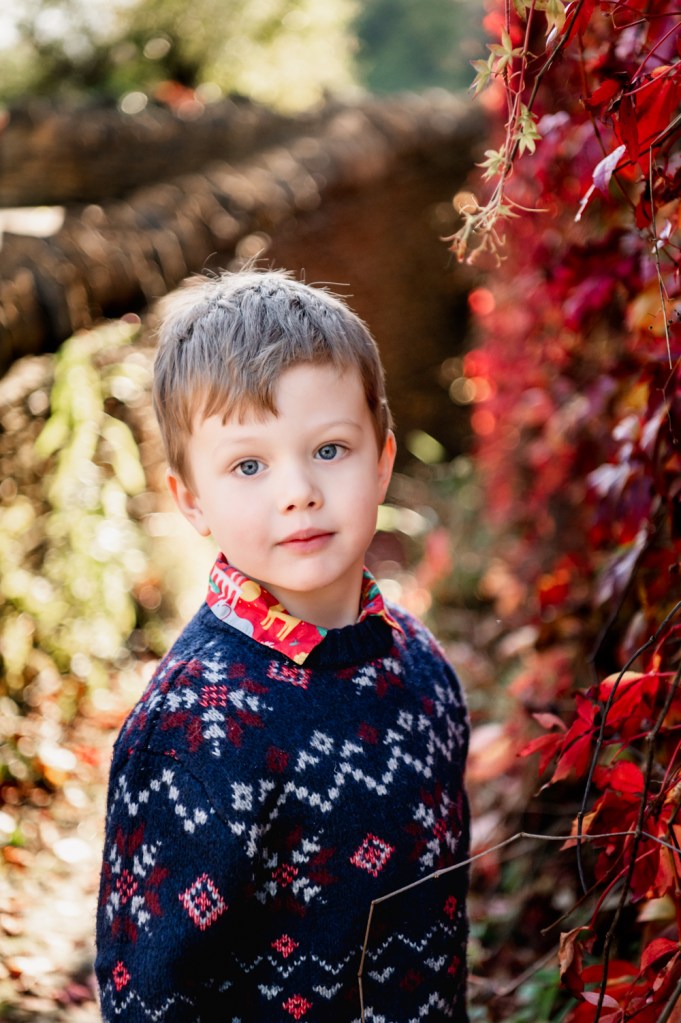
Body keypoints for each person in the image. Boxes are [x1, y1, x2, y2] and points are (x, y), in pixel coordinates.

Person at [95, 268, 470, 1023]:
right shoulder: (195, 725)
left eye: (330, 450)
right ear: (191, 499)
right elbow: (148, 988)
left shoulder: (421, 667)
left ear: (383, 459)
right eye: (248, 465)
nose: (296, 489)